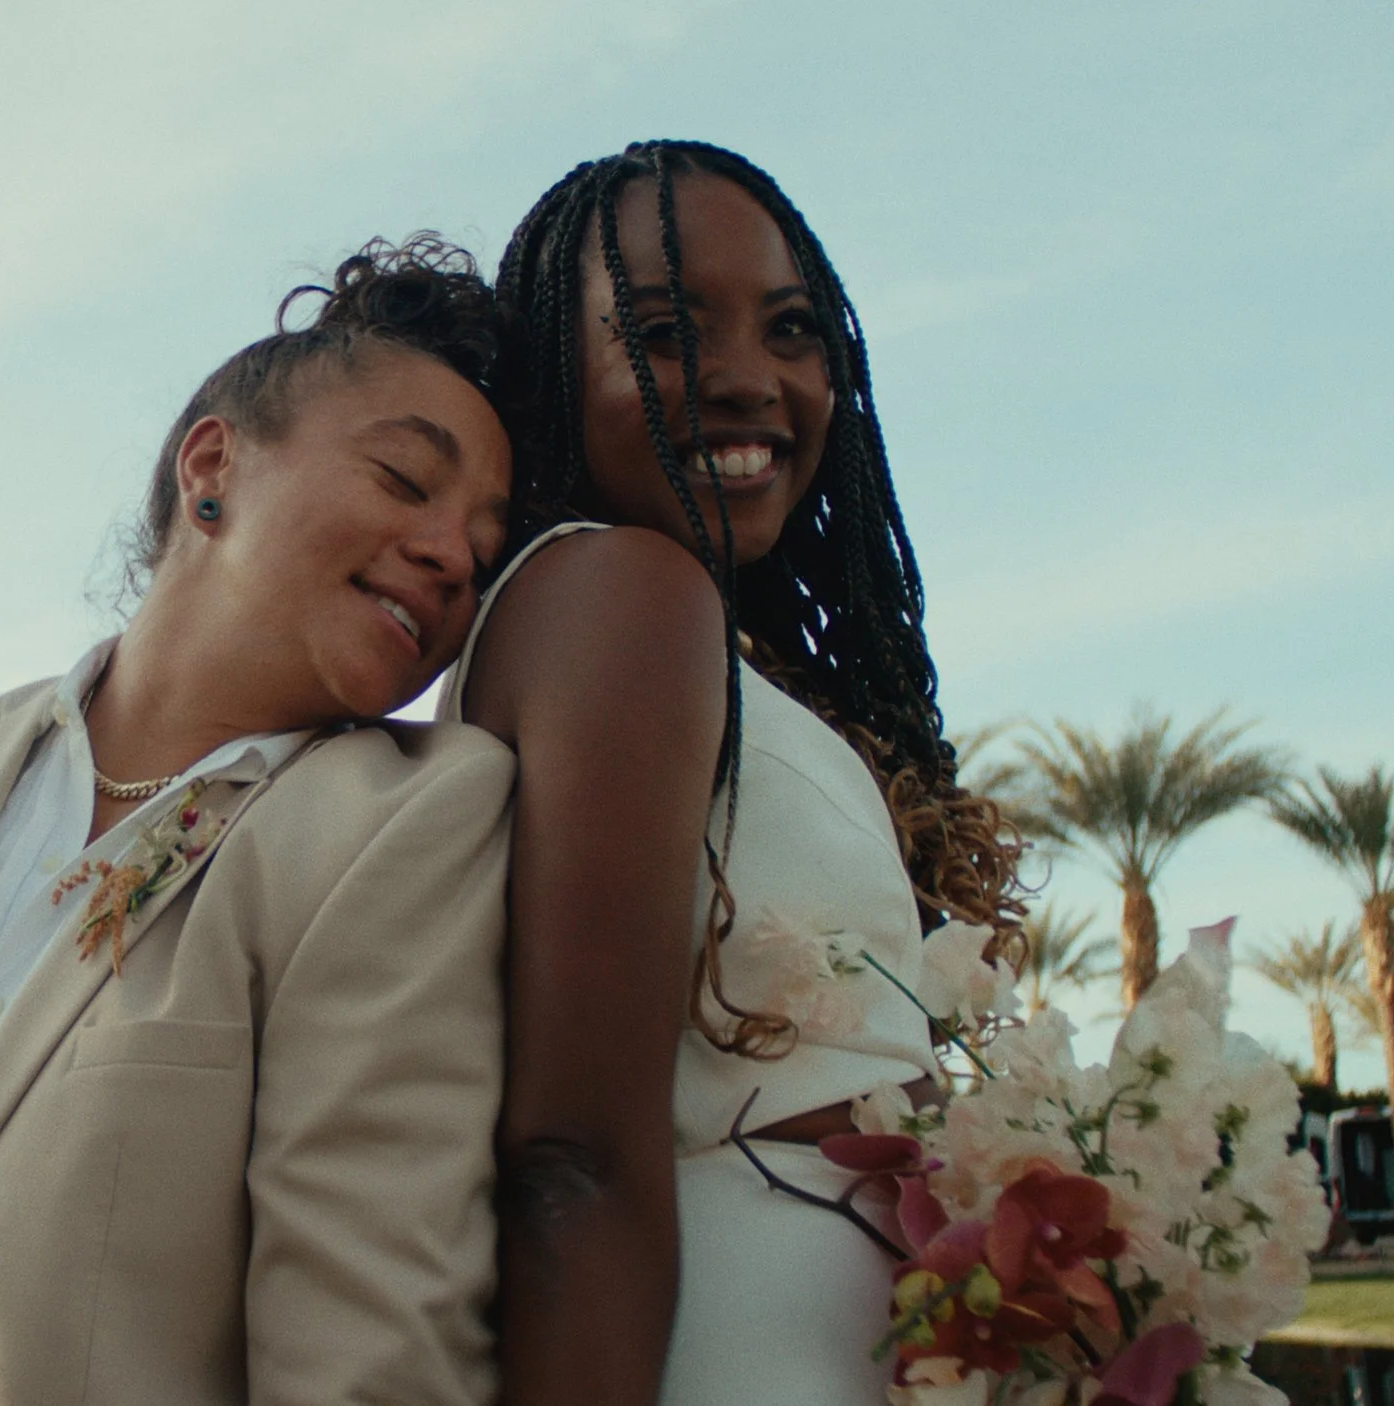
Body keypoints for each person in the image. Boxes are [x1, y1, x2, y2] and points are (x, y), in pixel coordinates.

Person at [0, 236, 518, 1406]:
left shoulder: (403, 825)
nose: (450, 555)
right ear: (212, 465)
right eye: (406, 480)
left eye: (484, 544)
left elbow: (367, 1349)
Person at [446, 142, 1024, 1402]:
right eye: (666, 332)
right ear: (553, 372)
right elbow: (569, 1156)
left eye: (793, 327)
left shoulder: (683, 640)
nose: (752, 379)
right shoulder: (621, 593)